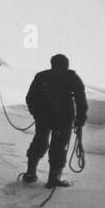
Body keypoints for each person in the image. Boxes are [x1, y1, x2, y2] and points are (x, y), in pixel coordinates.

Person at [23, 53, 87, 185]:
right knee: (58, 146)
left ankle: (30, 172)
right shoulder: (72, 78)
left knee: (40, 141)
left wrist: (36, 113)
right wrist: (80, 118)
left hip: (45, 117)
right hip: (63, 118)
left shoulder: (42, 76)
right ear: (66, 64)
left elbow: (30, 97)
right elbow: (81, 101)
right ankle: (53, 178)